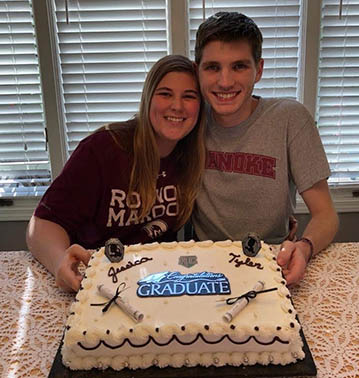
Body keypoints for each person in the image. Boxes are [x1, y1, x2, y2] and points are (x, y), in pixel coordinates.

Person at [26, 55, 206, 293]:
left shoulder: (193, 155)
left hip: (155, 283)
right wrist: (60, 261)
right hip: (97, 282)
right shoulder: (102, 149)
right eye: (165, 94)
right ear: (148, 98)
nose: (177, 106)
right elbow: (41, 225)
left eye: (189, 96)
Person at [191, 12, 339, 286]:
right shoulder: (187, 119)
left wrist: (303, 248)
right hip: (205, 264)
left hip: (272, 262)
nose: (225, 81)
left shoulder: (290, 118)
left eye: (239, 67)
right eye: (212, 67)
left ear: (258, 69)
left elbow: (325, 214)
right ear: (197, 70)